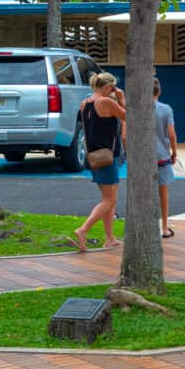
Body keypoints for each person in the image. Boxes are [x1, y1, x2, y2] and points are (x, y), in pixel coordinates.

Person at [72, 72, 125, 251]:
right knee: (109, 200)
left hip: (94, 156)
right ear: (108, 87)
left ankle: (110, 238)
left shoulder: (84, 103)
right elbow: (127, 116)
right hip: (107, 155)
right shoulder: (106, 102)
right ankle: (83, 229)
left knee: (109, 198)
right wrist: (121, 98)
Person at [153, 77, 178, 238]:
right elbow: (171, 134)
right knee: (163, 192)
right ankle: (164, 227)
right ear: (159, 91)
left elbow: (126, 136)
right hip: (161, 155)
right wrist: (174, 151)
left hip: (143, 157)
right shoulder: (165, 109)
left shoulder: (137, 109)